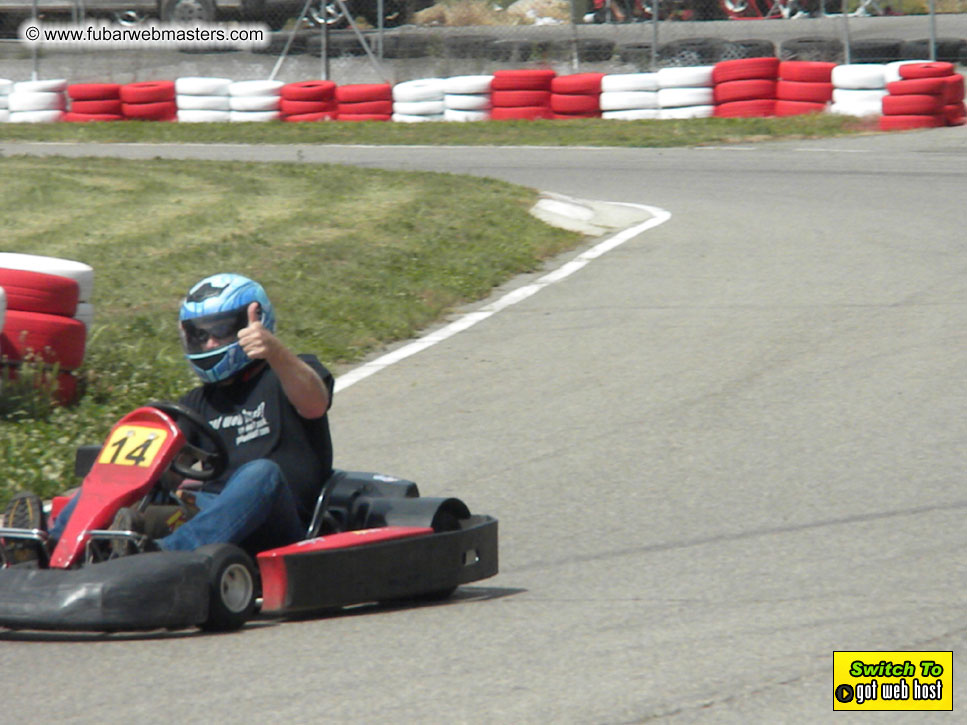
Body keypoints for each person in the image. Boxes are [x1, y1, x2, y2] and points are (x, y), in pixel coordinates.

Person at [3, 273, 334, 561]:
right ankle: (52, 545)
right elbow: (168, 472)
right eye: (200, 334)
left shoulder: (290, 372)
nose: (211, 342)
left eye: (221, 329)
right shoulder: (196, 402)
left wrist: (274, 350)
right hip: (208, 513)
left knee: (262, 473)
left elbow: (314, 404)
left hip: (277, 519)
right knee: (129, 478)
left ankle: (165, 555)